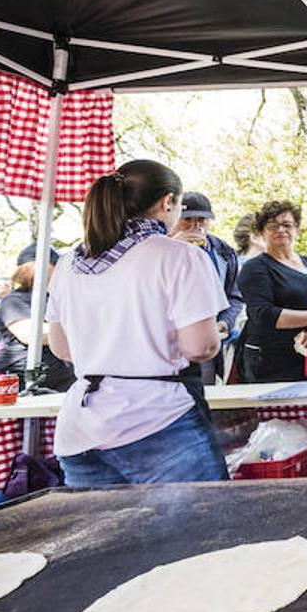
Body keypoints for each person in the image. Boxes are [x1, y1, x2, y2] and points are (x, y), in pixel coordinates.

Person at [44, 160, 229, 485]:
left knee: (107, 536)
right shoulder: (181, 256)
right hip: (158, 420)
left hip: (80, 427)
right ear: (167, 202)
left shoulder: (68, 262)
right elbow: (200, 347)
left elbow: (62, 348)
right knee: (201, 531)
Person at [236, 200, 307, 383]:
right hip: (274, 365)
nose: (281, 230)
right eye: (272, 226)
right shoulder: (255, 268)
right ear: (261, 232)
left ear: (297, 229)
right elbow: (263, 314)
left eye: (287, 225)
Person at [170, 192, 243, 390]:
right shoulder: (160, 250)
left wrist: (224, 323)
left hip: (206, 343)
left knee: (204, 395)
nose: (196, 226)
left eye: (201, 220)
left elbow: (235, 296)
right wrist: (175, 249)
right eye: (187, 220)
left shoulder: (223, 251)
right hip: (168, 346)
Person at [0, 243, 74, 391]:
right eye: (53, 266)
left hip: (65, 382)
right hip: (22, 384)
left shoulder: (58, 298)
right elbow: (31, 334)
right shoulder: (14, 301)